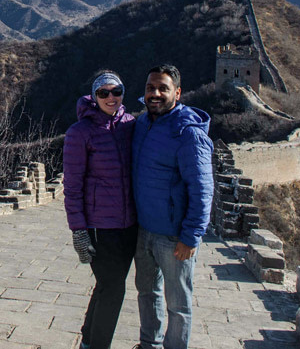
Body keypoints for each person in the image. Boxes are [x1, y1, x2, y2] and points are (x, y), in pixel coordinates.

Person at [132, 64, 214, 349]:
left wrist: (191, 236)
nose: (155, 94)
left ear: (177, 93)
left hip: (174, 236)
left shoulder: (188, 133)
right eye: (150, 88)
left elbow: (202, 189)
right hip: (143, 230)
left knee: (178, 303)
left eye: (162, 89)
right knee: (147, 294)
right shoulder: (142, 123)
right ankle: (148, 344)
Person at [63, 70, 137, 349]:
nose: (110, 97)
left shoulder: (130, 125)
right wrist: (78, 230)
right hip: (99, 227)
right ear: (94, 97)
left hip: (129, 226)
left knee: (107, 286)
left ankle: (88, 341)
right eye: (103, 93)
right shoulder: (79, 132)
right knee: (115, 288)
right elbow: (72, 187)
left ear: (123, 94)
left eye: (115, 91)